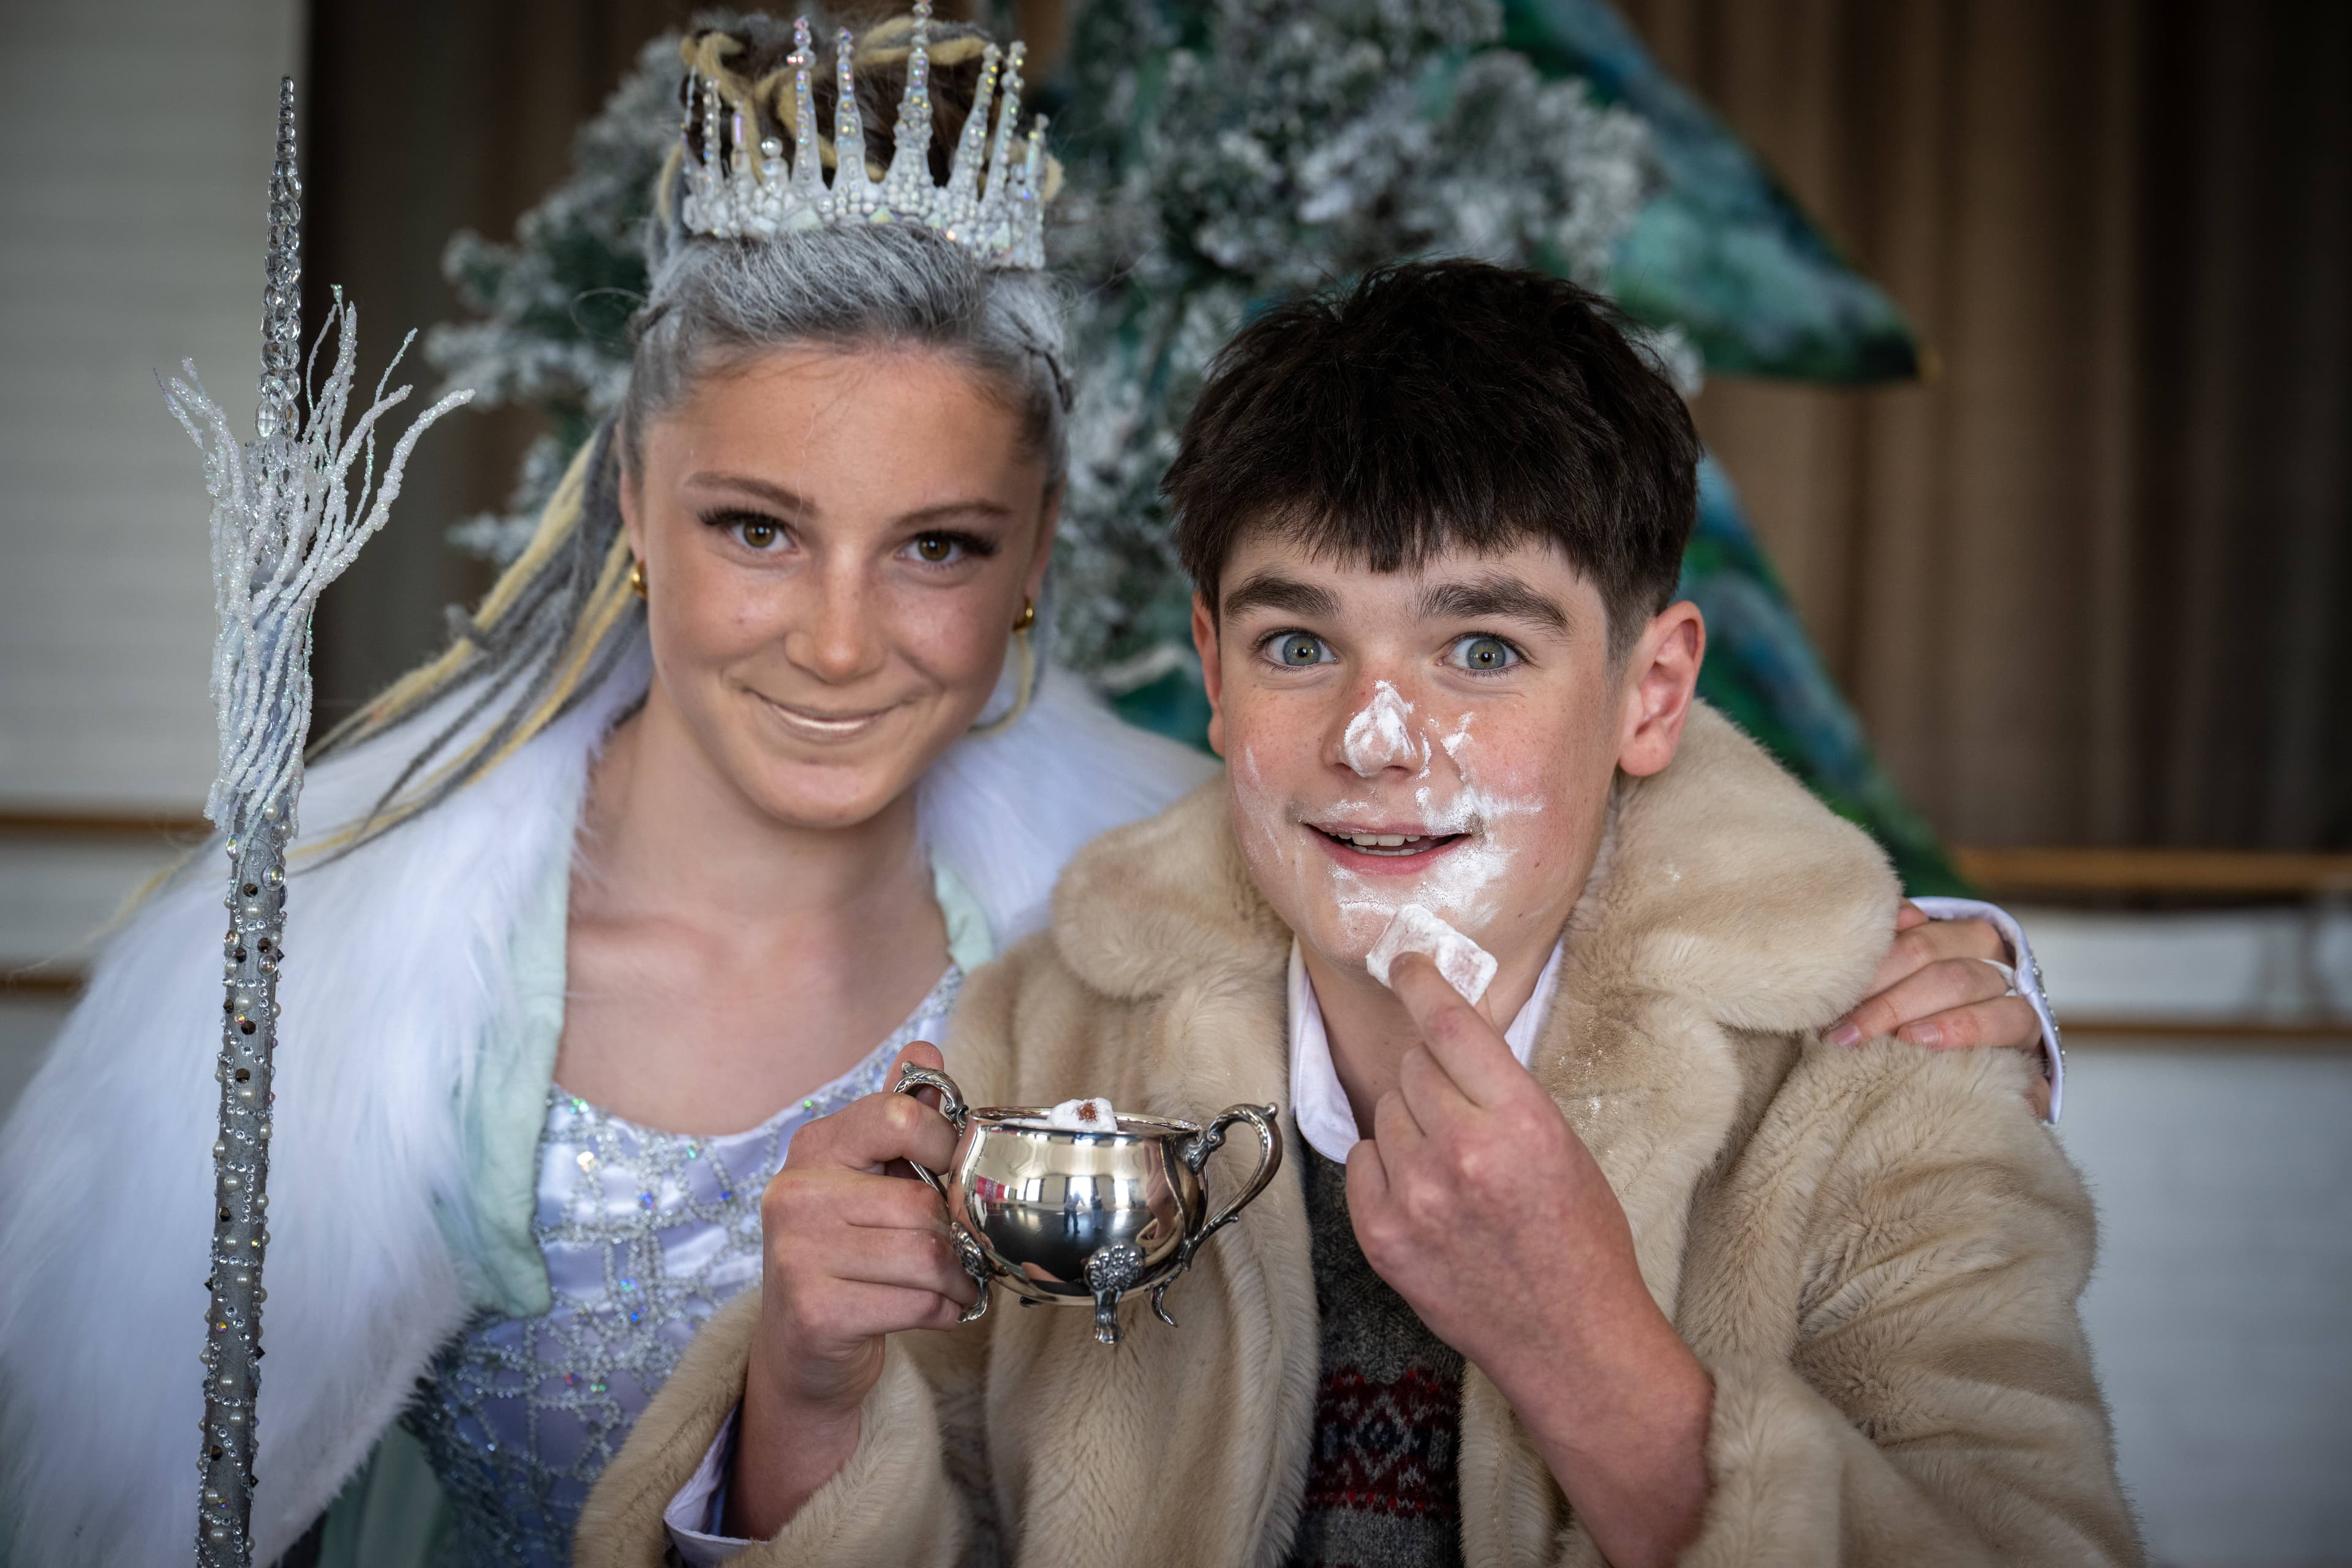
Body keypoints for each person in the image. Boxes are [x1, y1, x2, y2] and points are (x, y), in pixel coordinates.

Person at [0, 17, 2053, 1568]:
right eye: (754, 528)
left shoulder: (1122, 912)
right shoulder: (1086, 999)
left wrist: (1922, 989)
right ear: (629, 501)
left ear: (1039, 556)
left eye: (940, 546)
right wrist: (795, 1397)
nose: (832, 642)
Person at [579, 262, 2135, 1567]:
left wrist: (1587, 1349)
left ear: (1650, 691)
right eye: (1299, 644)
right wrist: (805, 1406)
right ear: (1211, 670)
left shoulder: (1882, 1078)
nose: (1378, 740)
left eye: (1482, 651)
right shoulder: (1055, 1029)